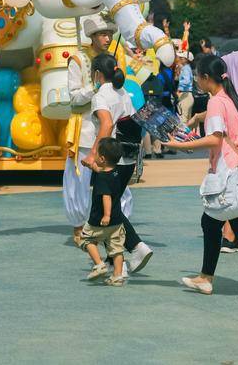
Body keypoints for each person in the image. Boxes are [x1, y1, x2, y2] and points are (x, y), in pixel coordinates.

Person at [165, 54, 238, 299]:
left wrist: (181, 145)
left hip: (231, 171)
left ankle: (206, 278)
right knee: (214, 222)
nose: (196, 80)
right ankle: (205, 277)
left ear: (206, 78)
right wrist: (198, 117)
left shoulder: (217, 102)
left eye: (197, 76)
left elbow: (216, 137)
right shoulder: (229, 98)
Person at [63, 16, 132, 243]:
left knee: (116, 180)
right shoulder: (78, 60)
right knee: (78, 180)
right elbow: (73, 97)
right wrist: (95, 88)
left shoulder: (114, 58)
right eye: (102, 34)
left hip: (109, 132)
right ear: (91, 37)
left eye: (110, 34)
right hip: (84, 130)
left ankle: (119, 225)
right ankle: (79, 226)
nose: (107, 38)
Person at [83, 53, 154, 274]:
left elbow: (106, 124)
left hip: (110, 159)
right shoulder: (122, 92)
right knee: (112, 208)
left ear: (96, 74)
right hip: (128, 157)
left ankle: (124, 257)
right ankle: (131, 251)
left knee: (103, 212)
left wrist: (93, 154)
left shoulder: (101, 95)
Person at [78, 137, 127, 286]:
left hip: (99, 220)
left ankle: (99, 264)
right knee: (117, 249)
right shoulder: (116, 172)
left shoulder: (101, 180)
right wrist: (92, 166)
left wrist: (106, 215)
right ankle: (117, 276)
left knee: (84, 239)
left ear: (103, 158)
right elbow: (101, 170)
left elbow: (106, 197)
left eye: (96, 153)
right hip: (117, 221)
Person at [176, 50, 195, 123]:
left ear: (187, 60)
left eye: (182, 58)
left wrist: (178, 84)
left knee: (182, 120)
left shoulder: (186, 68)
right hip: (188, 95)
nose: (180, 59)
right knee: (188, 121)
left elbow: (186, 81)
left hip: (185, 95)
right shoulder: (187, 67)